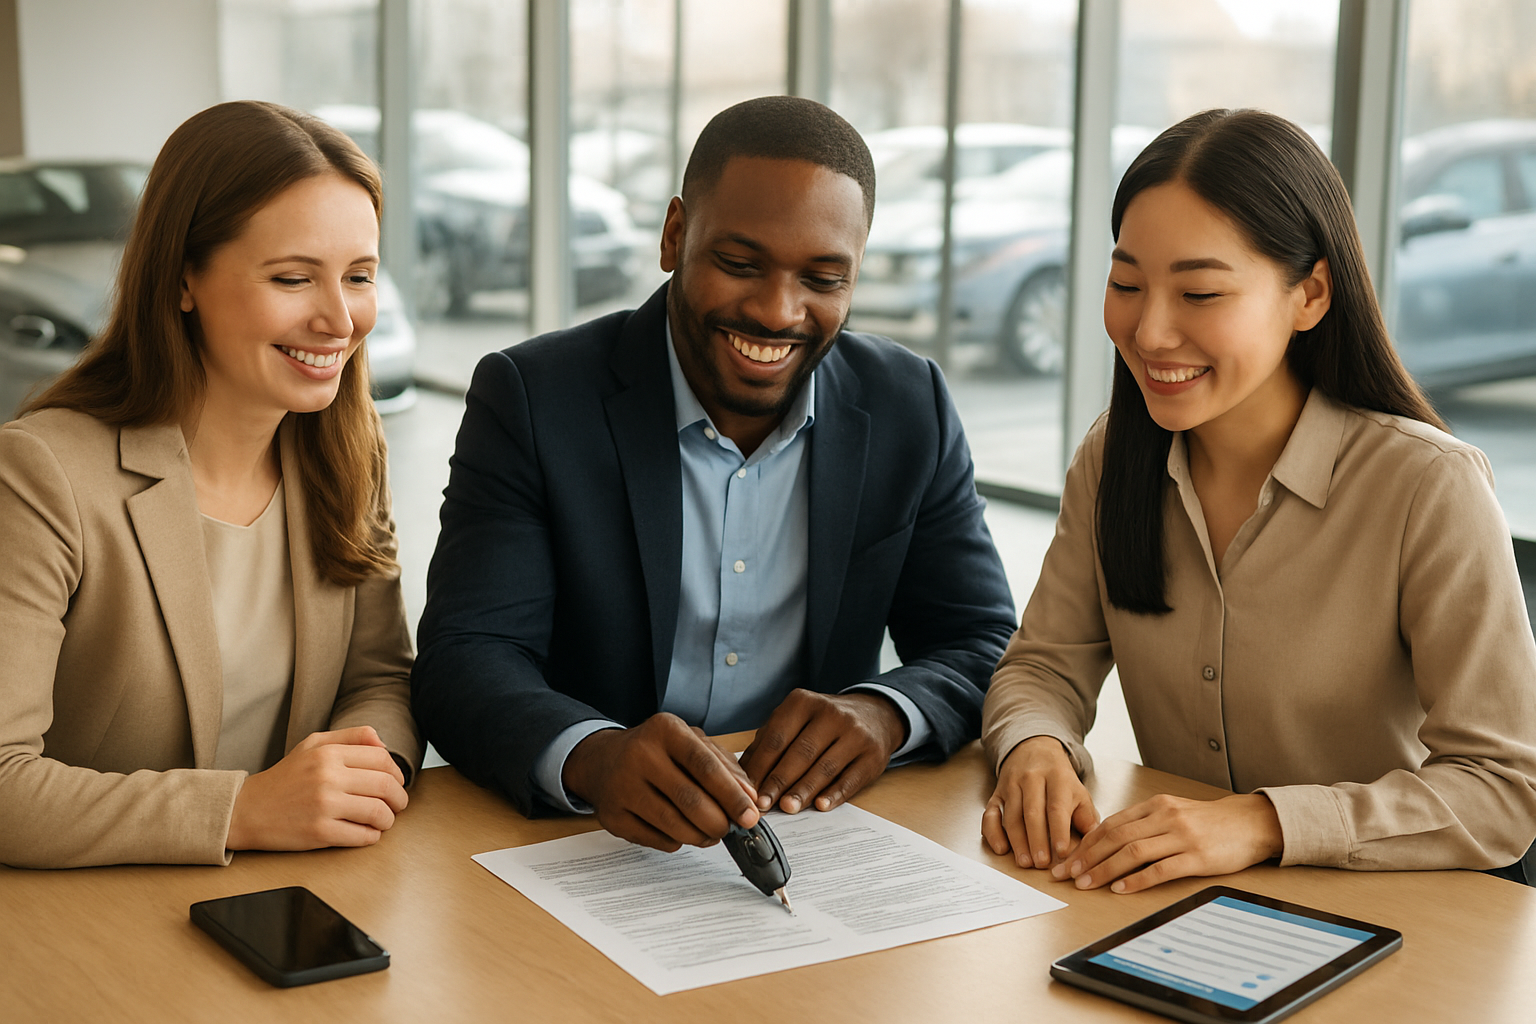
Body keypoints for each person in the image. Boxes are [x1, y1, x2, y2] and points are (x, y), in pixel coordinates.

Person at [413, 95, 1015, 851]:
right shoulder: (535, 398)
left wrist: (883, 712)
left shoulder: (907, 403)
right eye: (740, 265)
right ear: (674, 236)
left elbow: (984, 640)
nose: (777, 311)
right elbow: (465, 658)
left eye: (824, 279)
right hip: (585, 847)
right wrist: (594, 757)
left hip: (817, 840)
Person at [981, 108, 1536, 893]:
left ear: (1310, 295)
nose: (1149, 330)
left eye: (1200, 293)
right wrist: (1032, 745)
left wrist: (1262, 822)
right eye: (1126, 283)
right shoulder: (1115, 460)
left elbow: (1503, 788)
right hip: (1185, 913)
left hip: (1404, 917)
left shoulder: (1426, 487)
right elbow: (1042, 668)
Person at [0, 101, 422, 869]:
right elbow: (4, 783)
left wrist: (367, 775)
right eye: (294, 277)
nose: (340, 318)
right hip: (91, 927)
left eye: (359, 276)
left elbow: (381, 678)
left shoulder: (348, 452)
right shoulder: (41, 475)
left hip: (296, 892)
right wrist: (244, 810)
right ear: (184, 278)